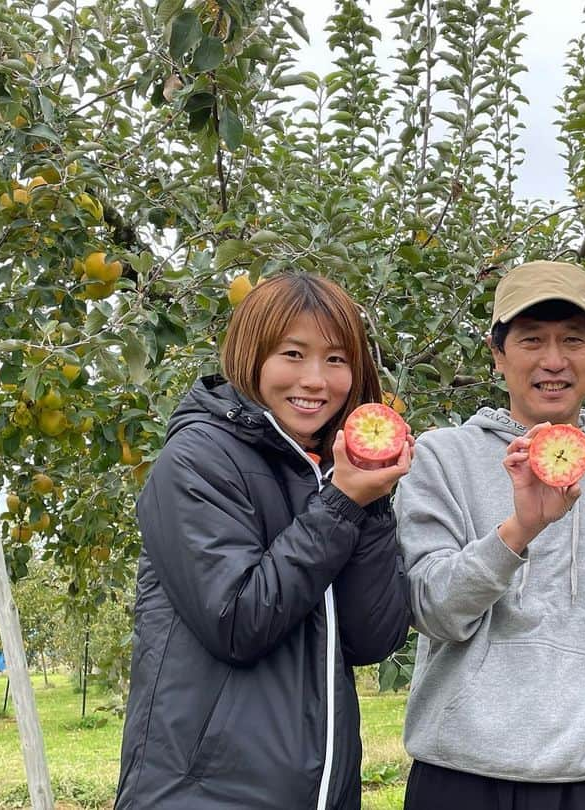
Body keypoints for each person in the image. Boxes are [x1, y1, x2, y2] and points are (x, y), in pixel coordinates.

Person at [114, 274, 413, 810]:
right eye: (293, 354)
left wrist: (371, 501)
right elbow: (237, 622)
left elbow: (372, 639)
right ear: (250, 356)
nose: (316, 380)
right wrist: (343, 502)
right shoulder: (196, 460)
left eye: (338, 360)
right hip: (204, 795)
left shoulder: (330, 475)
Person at [395, 260, 585, 810]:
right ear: (498, 354)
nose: (554, 361)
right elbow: (433, 610)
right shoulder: (441, 457)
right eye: (531, 341)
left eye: (573, 340)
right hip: (463, 770)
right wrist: (520, 530)